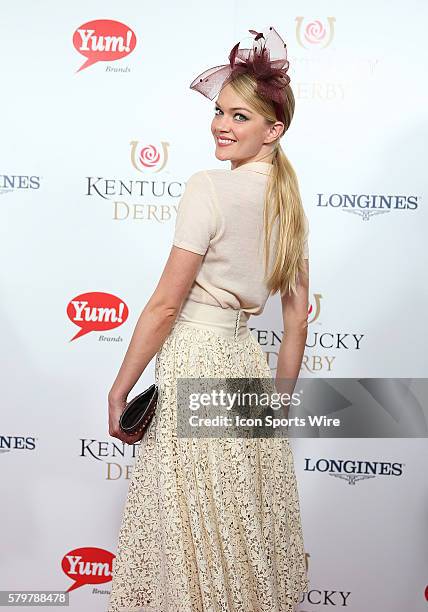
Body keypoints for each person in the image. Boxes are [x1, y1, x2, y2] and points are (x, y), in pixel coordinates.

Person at [107, 26, 310, 612]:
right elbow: (297, 322)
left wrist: (121, 389)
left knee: (191, 526)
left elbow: (165, 306)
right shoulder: (289, 200)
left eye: (240, 117)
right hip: (245, 367)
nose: (222, 125)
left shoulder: (210, 188)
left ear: (273, 130)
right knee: (233, 529)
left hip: (196, 358)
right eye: (220, 112)